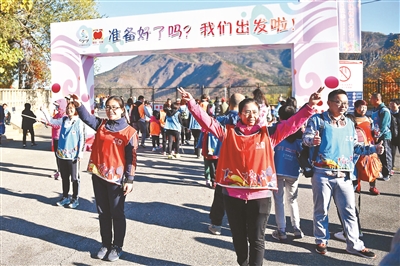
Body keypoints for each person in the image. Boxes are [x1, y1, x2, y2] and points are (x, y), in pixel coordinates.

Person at [178, 86, 322, 266]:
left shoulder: (269, 134)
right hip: (232, 195)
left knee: (257, 239)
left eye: (255, 112)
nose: (251, 116)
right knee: (238, 237)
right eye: (247, 112)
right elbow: (207, 122)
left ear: (260, 113)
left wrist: (309, 106)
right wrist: (192, 103)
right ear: (240, 114)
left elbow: (293, 123)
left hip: (259, 196)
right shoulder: (228, 132)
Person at [303, 89, 383, 259]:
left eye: (345, 103)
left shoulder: (349, 123)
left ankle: (354, 245)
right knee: (321, 209)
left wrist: (373, 149)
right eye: (339, 102)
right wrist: (312, 140)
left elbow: (356, 148)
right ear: (329, 103)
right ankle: (321, 240)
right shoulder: (318, 120)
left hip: (345, 175)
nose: (343, 106)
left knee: (349, 211)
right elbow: (306, 138)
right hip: (322, 173)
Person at [71, 94, 138, 262]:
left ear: (123, 110)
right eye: (108, 107)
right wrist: (79, 105)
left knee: (117, 213)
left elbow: (132, 158)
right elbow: (87, 118)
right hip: (99, 175)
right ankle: (105, 244)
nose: (111, 110)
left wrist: (129, 180)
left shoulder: (130, 132)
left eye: (115, 107)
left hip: (117, 180)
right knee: (103, 213)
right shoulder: (102, 125)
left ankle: (117, 246)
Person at [207, 93, 244, 236]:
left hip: (224, 161)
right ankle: (240, 225)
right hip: (242, 163)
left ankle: (216, 224)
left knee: (220, 194)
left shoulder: (222, 120)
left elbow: (209, 127)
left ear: (229, 103)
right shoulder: (246, 121)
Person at [271, 105, 304, 241]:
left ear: (279, 117)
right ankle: (297, 228)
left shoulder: (276, 130)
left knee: (279, 201)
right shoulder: (298, 134)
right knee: (293, 200)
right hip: (293, 171)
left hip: (277, 169)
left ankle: (282, 230)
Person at [45, 102, 85, 208]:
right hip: (62, 155)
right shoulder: (63, 120)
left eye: (71, 108)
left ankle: (75, 198)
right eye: (68, 108)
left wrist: (80, 153)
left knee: (75, 178)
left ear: (75, 110)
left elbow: (82, 138)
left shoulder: (79, 122)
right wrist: (44, 110)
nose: (69, 110)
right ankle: (65, 197)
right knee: (65, 177)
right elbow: (51, 121)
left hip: (73, 156)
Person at [352, 99, 380, 195]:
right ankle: (357, 185)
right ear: (356, 108)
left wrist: (375, 133)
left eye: (365, 107)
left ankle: (372, 187)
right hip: (358, 147)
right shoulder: (351, 119)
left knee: (372, 167)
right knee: (357, 167)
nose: (363, 109)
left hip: (370, 145)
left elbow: (372, 130)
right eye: (361, 107)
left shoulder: (368, 119)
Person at [370, 93, 392, 181]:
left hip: (384, 136)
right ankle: (382, 171)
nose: (370, 100)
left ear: (376, 99)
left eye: (371, 99)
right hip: (376, 135)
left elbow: (383, 125)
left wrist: (378, 135)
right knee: (379, 155)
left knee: (385, 155)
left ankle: (387, 173)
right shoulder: (375, 109)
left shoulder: (384, 110)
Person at [389, 98, 400, 171]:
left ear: (398, 105)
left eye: (394, 105)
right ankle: (391, 168)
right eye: (390, 105)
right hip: (391, 136)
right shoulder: (388, 113)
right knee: (391, 153)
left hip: (399, 136)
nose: (392, 107)